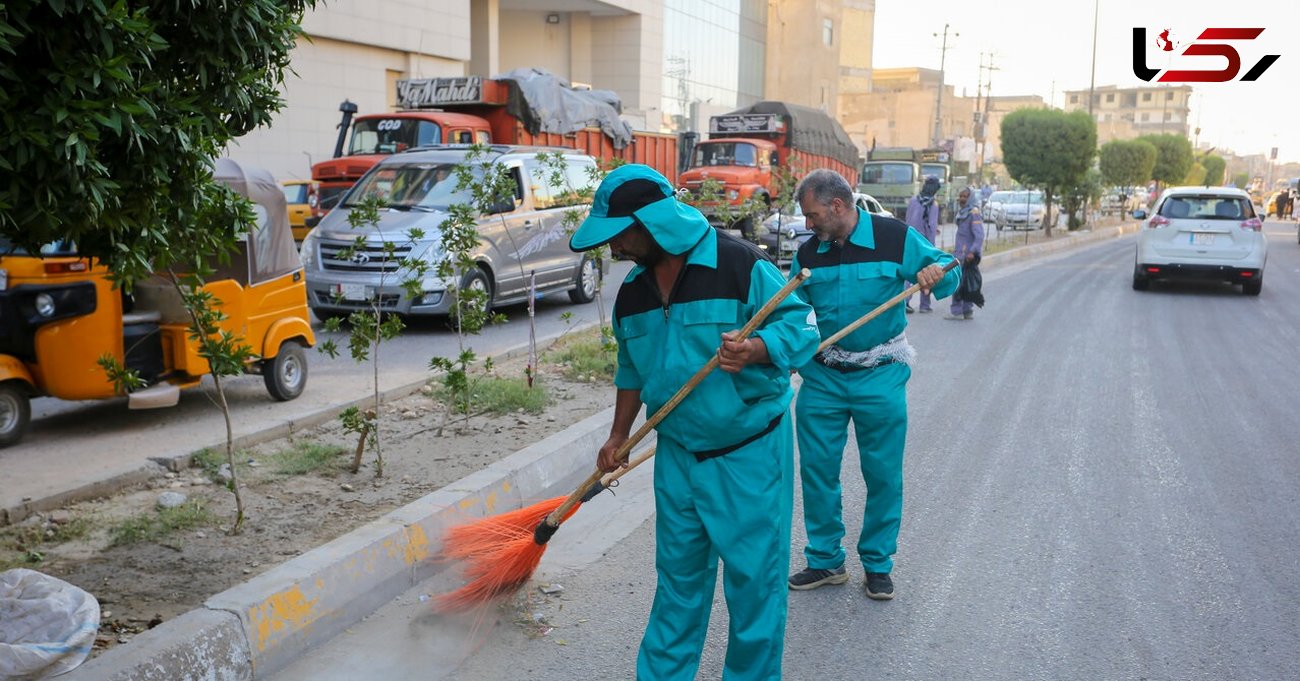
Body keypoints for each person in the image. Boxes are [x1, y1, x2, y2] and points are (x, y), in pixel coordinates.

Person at [570, 164, 820, 680]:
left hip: (748, 452)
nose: (612, 248)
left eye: (619, 234)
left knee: (754, 587)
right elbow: (631, 368)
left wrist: (757, 348)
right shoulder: (633, 294)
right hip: (678, 458)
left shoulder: (739, 265)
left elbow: (802, 325)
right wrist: (619, 434)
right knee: (678, 585)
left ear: (651, 223)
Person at [785, 169, 960, 600]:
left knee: (882, 474)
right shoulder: (808, 255)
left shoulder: (893, 237)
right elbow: (793, 316)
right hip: (823, 376)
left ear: (838, 206)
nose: (808, 225)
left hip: (880, 372)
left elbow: (949, 273)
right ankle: (826, 561)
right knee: (818, 472)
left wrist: (934, 275)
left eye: (812, 215)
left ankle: (878, 564)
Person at [903, 175, 942, 313]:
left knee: (908, 272)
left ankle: (905, 301)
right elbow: (931, 226)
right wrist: (932, 248)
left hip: (910, 240)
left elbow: (908, 219)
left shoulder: (914, 200)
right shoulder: (933, 204)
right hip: (924, 243)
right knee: (926, 273)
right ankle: (924, 305)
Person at [945, 187, 985, 321]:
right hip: (960, 253)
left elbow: (979, 235)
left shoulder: (973, 213)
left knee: (958, 282)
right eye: (960, 196)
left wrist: (972, 252)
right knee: (965, 282)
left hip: (966, 255)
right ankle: (966, 310)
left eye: (965, 197)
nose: (962, 199)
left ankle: (957, 311)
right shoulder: (963, 212)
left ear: (970, 198)